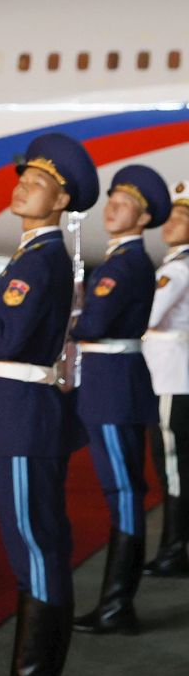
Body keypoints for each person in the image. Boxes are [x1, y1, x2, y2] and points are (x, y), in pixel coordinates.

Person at [0, 133, 99, 676]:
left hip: (24, 417)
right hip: (22, 413)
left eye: (38, 183)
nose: (22, 188)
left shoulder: (39, 258)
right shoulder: (33, 253)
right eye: (23, 178)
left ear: (62, 199)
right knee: (37, 549)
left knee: (37, 553)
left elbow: (7, 338)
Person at [70, 165, 169, 635]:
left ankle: (116, 605)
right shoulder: (122, 259)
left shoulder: (125, 263)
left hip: (114, 386)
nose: (112, 207)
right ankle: (116, 602)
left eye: (124, 203)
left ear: (144, 217)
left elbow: (93, 324)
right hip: (111, 382)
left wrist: (61, 319)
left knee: (124, 491)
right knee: (121, 489)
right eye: (112, 199)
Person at [141, 179, 189, 576]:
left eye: (181, 217)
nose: (170, 223)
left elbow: (149, 316)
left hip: (171, 380)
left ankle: (174, 551)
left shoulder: (176, 270)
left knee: (173, 468)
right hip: (172, 378)